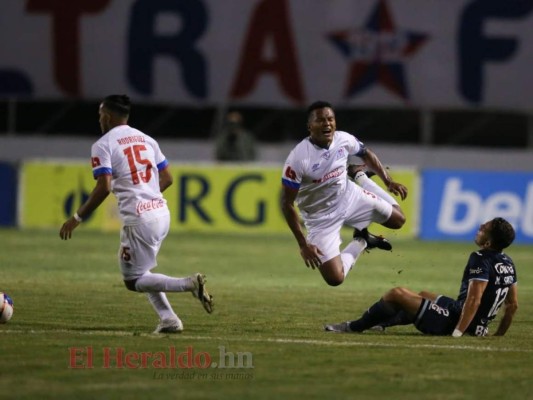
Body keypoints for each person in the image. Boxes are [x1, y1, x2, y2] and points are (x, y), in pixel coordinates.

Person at [59, 94, 214, 334]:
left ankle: (189, 284)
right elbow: (168, 178)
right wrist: (148, 193)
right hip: (161, 214)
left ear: (108, 117)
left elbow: (103, 186)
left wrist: (76, 217)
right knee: (142, 272)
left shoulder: (103, 144)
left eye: (101, 115)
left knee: (133, 281)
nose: (100, 120)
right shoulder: (147, 139)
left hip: (139, 220)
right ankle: (169, 319)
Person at [281, 100, 408, 287]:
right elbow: (287, 203)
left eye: (330, 119)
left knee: (398, 220)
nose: (327, 124)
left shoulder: (344, 139)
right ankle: (362, 240)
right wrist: (302, 245)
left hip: (349, 197)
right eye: (320, 120)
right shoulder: (298, 159)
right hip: (320, 217)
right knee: (335, 278)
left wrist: (388, 181)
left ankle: (360, 177)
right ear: (309, 126)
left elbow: (366, 153)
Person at [325, 217, 518, 337]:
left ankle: (354, 327)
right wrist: (498, 334)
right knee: (424, 294)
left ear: (488, 243)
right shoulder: (508, 263)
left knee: (397, 294)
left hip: (460, 321)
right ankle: (382, 324)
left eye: (484, 228)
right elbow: (512, 305)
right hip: (475, 323)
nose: (481, 226)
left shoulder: (480, 258)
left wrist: (458, 332)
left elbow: (474, 300)